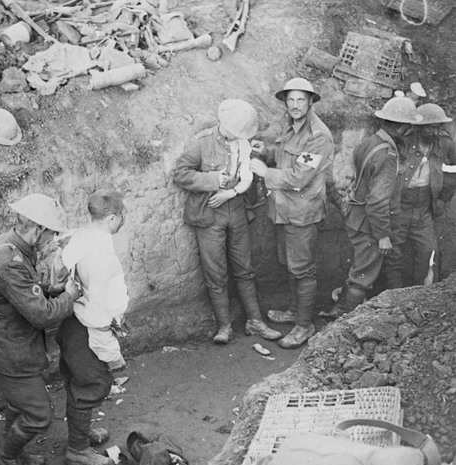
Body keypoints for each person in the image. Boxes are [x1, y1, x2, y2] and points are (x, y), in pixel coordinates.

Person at [0, 193, 81, 465]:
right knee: (40, 414)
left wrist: (49, 288)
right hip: (6, 351)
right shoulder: (10, 260)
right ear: (39, 229)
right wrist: (70, 294)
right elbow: (41, 315)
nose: (53, 239)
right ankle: (4, 458)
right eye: (52, 232)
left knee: (19, 404)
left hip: (5, 340)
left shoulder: (12, 243)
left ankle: (17, 452)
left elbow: (22, 289)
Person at [172, 99, 282, 345]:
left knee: (245, 268)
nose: (236, 137)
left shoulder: (245, 143)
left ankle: (255, 321)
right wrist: (214, 180)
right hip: (210, 214)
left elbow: (249, 172)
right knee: (216, 273)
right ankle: (224, 326)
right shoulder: (201, 144)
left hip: (237, 210)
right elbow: (180, 174)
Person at [250, 78, 335, 349]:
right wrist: (268, 152)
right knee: (288, 263)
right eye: (291, 100)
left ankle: (304, 324)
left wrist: (266, 172)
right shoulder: (290, 125)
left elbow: (300, 176)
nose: (295, 105)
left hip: (302, 212)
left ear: (311, 101)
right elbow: (288, 155)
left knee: (302, 268)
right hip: (283, 208)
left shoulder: (318, 136)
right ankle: (295, 311)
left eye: (301, 100)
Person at [57, 189, 129, 465]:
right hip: (89, 325)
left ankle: (80, 432)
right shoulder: (101, 253)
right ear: (112, 217)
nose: (123, 220)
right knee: (93, 383)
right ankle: (77, 450)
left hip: (72, 319)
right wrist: (113, 352)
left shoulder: (82, 235)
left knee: (77, 379)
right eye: (122, 215)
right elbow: (100, 305)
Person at [322, 97, 414, 318]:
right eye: (409, 127)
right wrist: (383, 235)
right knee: (363, 275)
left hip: (357, 217)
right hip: (370, 224)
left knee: (361, 268)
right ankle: (341, 323)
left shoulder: (370, 142)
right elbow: (378, 200)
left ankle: (339, 310)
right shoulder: (388, 155)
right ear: (401, 127)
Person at [383, 102, 456, 288]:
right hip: (401, 205)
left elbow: (452, 172)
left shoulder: (445, 145)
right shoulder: (404, 142)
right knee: (395, 253)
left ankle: (417, 294)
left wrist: (442, 199)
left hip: (425, 208)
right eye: (431, 127)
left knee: (427, 251)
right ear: (419, 127)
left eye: (438, 127)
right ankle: (393, 296)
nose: (435, 131)